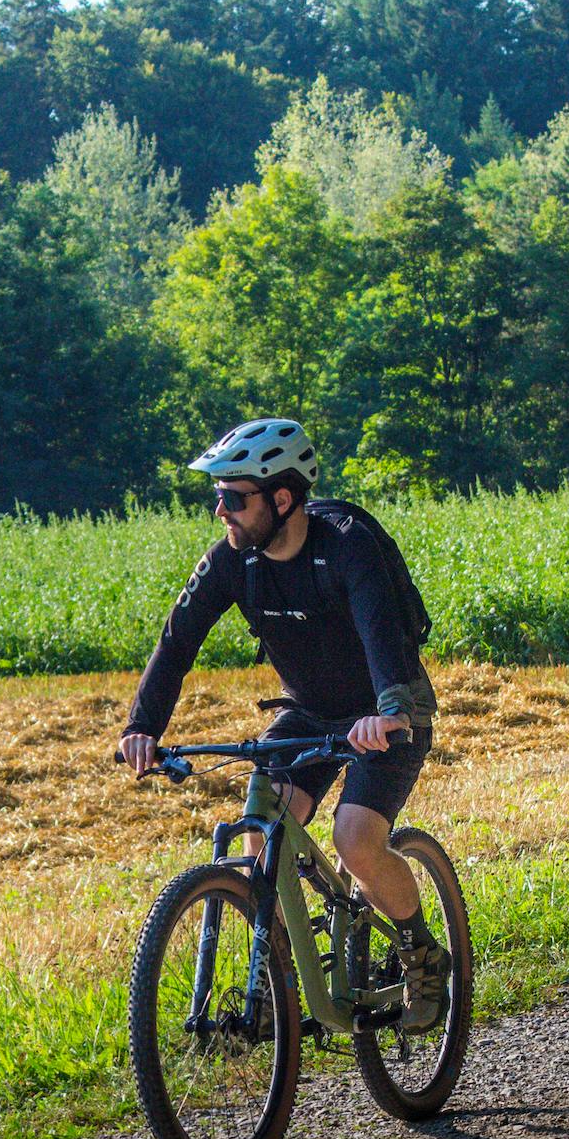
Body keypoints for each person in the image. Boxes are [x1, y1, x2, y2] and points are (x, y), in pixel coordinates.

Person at [117, 417, 450, 1029]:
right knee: (260, 832)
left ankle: (420, 952)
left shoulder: (349, 545)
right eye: (217, 498)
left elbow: (385, 637)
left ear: (283, 497)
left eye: (234, 498)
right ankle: (277, 983)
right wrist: (142, 727)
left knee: (354, 838)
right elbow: (177, 641)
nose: (222, 512)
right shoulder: (233, 562)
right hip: (305, 711)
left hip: (386, 710)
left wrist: (389, 711)